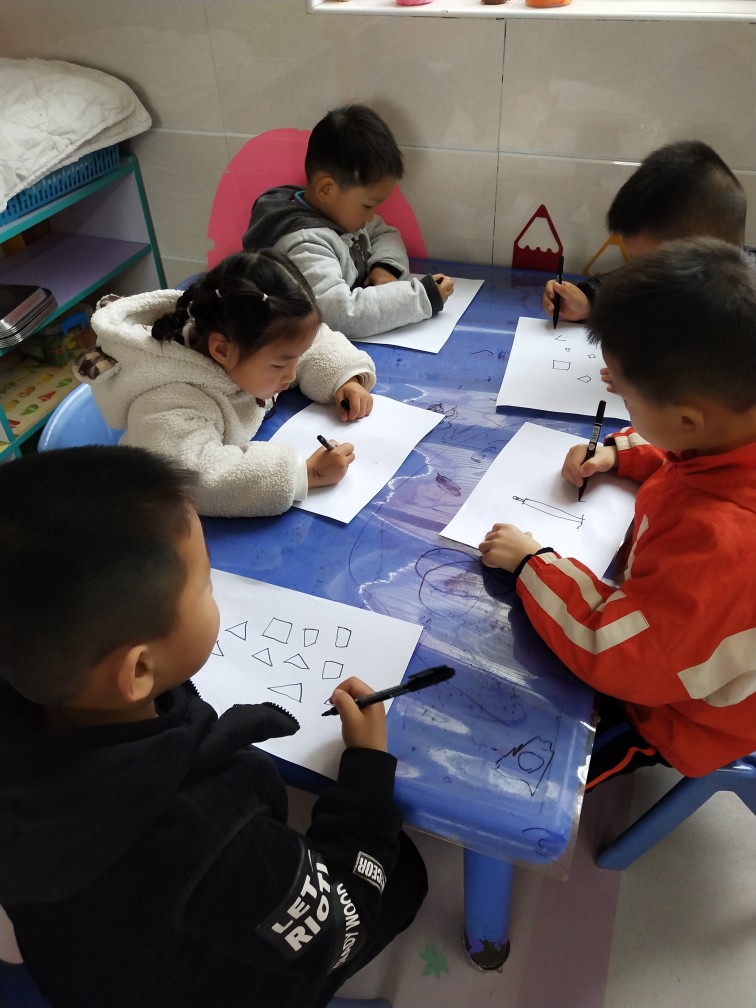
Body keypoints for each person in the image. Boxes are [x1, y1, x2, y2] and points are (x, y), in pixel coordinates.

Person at [0, 445, 428, 1008]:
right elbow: (340, 928)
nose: (216, 590)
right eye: (206, 584)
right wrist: (366, 774)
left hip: (84, 968)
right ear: (140, 670)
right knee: (405, 871)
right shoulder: (209, 834)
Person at [480, 239, 756, 790]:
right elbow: (683, 451)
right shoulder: (728, 428)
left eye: (627, 399)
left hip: (679, 714)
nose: (622, 408)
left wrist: (534, 563)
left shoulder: (720, 546)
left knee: (529, 777)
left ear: (687, 419)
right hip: (677, 639)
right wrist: (617, 453)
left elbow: (620, 654)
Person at [75, 250, 377, 518]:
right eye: (279, 365)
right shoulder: (168, 400)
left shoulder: (249, 340)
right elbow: (198, 478)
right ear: (222, 350)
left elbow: (306, 342)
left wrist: (344, 377)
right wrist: (306, 472)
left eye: (295, 359)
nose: (290, 374)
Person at [242, 103, 454, 339]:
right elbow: (339, 314)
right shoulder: (304, 244)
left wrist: (384, 269)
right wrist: (422, 297)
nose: (371, 216)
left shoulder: (340, 213)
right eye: (368, 205)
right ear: (327, 190)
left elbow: (385, 233)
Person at [542, 140, 747, 324]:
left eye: (657, 268)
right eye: (638, 263)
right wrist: (589, 301)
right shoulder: (699, 274)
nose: (644, 278)